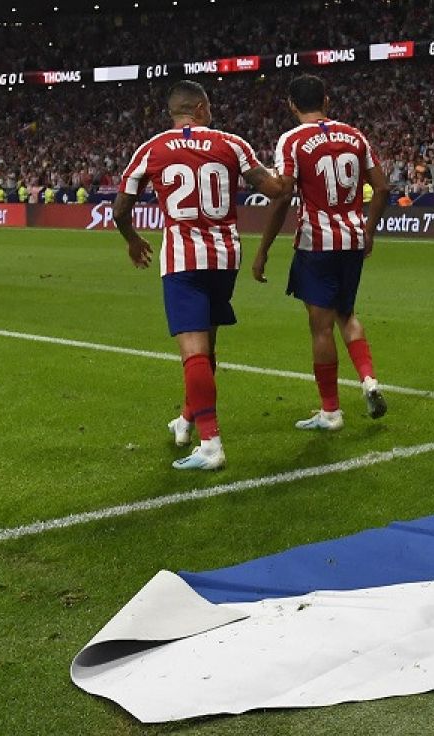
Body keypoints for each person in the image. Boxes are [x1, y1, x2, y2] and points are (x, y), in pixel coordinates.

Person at [113, 80, 290, 470]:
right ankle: (188, 418)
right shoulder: (232, 143)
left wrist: (131, 239)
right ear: (202, 109)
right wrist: (289, 170)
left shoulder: (151, 148)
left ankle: (211, 445)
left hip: (183, 262)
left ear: (174, 112)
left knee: (193, 353)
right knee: (206, 351)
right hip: (226, 258)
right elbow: (276, 189)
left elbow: (121, 207)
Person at [251, 74, 391, 431]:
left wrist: (262, 250)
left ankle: (330, 411)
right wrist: (368, 232)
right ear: (327, 101)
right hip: (352, 240)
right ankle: (369, 379)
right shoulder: (355, 135)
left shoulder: (292, 140)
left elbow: (282, 195)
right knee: (347, 313)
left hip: (317, 243)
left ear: (291, 105)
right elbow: (382, 187)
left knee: (321, 328)